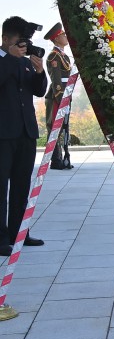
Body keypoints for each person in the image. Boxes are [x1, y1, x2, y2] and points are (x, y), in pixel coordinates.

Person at [0, 16, 47, 257]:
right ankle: (1, 237)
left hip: (26, 133)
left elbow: (39, 90)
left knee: (21, 184)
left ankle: (20, 232)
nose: (23, 47)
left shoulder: (24, 62)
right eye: (19, 42)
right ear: (5, 39)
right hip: (3, 135)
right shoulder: (7, 60)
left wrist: (39, 71)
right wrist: (10, 58)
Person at [43, 23, 73, 170]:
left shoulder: (63, 55)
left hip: (65, 96)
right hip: (56, 97)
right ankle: (55, 160)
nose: (65, 37)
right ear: (56, 38)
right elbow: (56, 82)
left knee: (63, 128)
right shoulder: (54, 56)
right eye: (63, 35)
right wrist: (62, 99)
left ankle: (63, 157)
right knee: (55, 128)